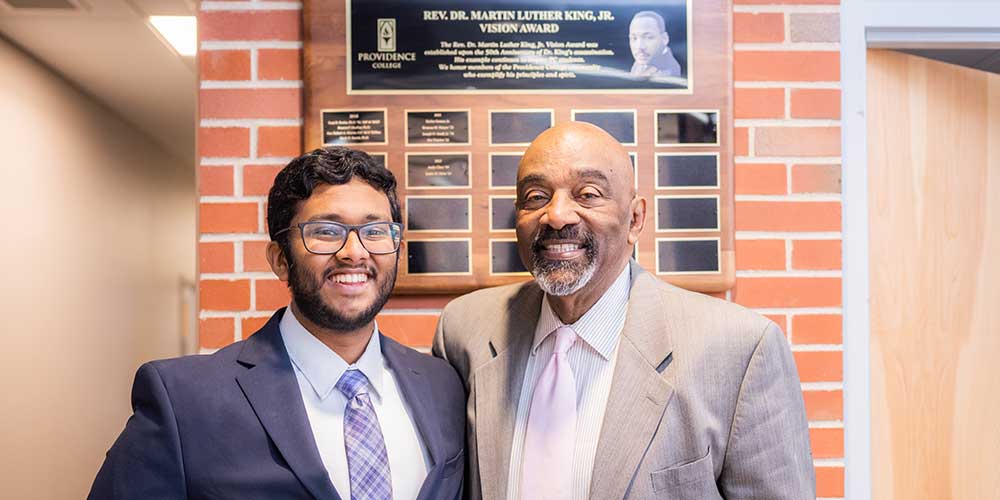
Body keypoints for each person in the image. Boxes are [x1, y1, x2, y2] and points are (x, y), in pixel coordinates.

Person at [433, 122, 814, 499]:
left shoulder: (739, 350)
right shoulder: (465, 331)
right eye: (536, 197)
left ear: (635, 219)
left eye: (588, 194)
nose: (557, 215)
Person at [91, 147, 465, 500]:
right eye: (326, 231)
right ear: (279, 259)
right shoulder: (183, 400)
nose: (355, 252)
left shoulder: (442, 384)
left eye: (375, 231)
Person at [628, 10, 682, 78]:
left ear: (664, 39)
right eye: (634, 38)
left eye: (648, 37)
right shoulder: (642, 60)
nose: (640, 46)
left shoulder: (667, 73)